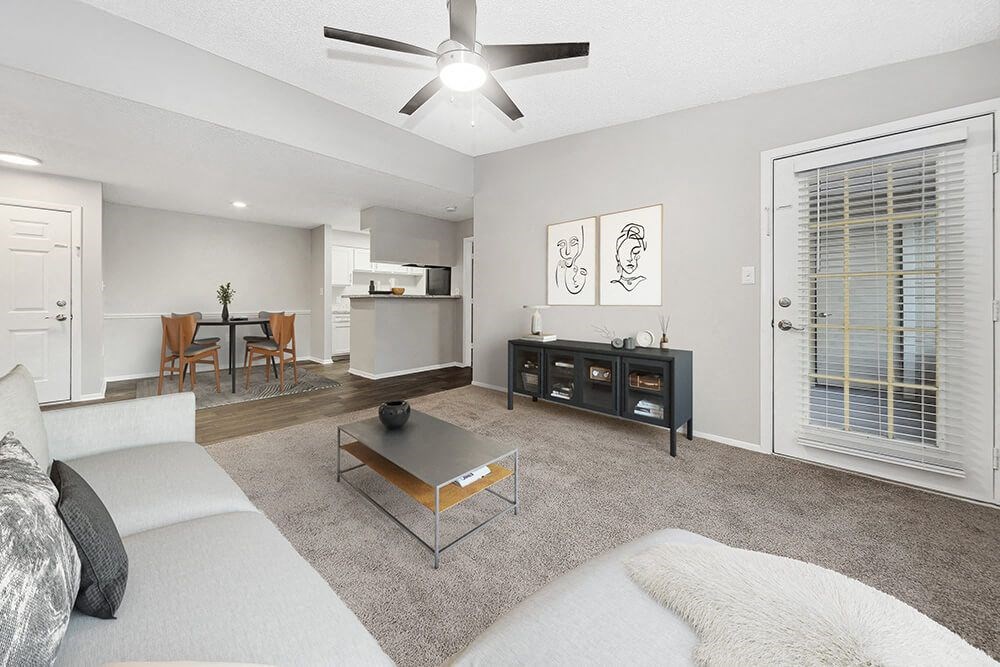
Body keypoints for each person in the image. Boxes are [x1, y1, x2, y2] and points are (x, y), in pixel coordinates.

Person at [611, 223, 647, 292]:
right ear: (617, 257)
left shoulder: (644, 282)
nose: (630, 258)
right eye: (625, 253)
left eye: (635, 252)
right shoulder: (613, 285)